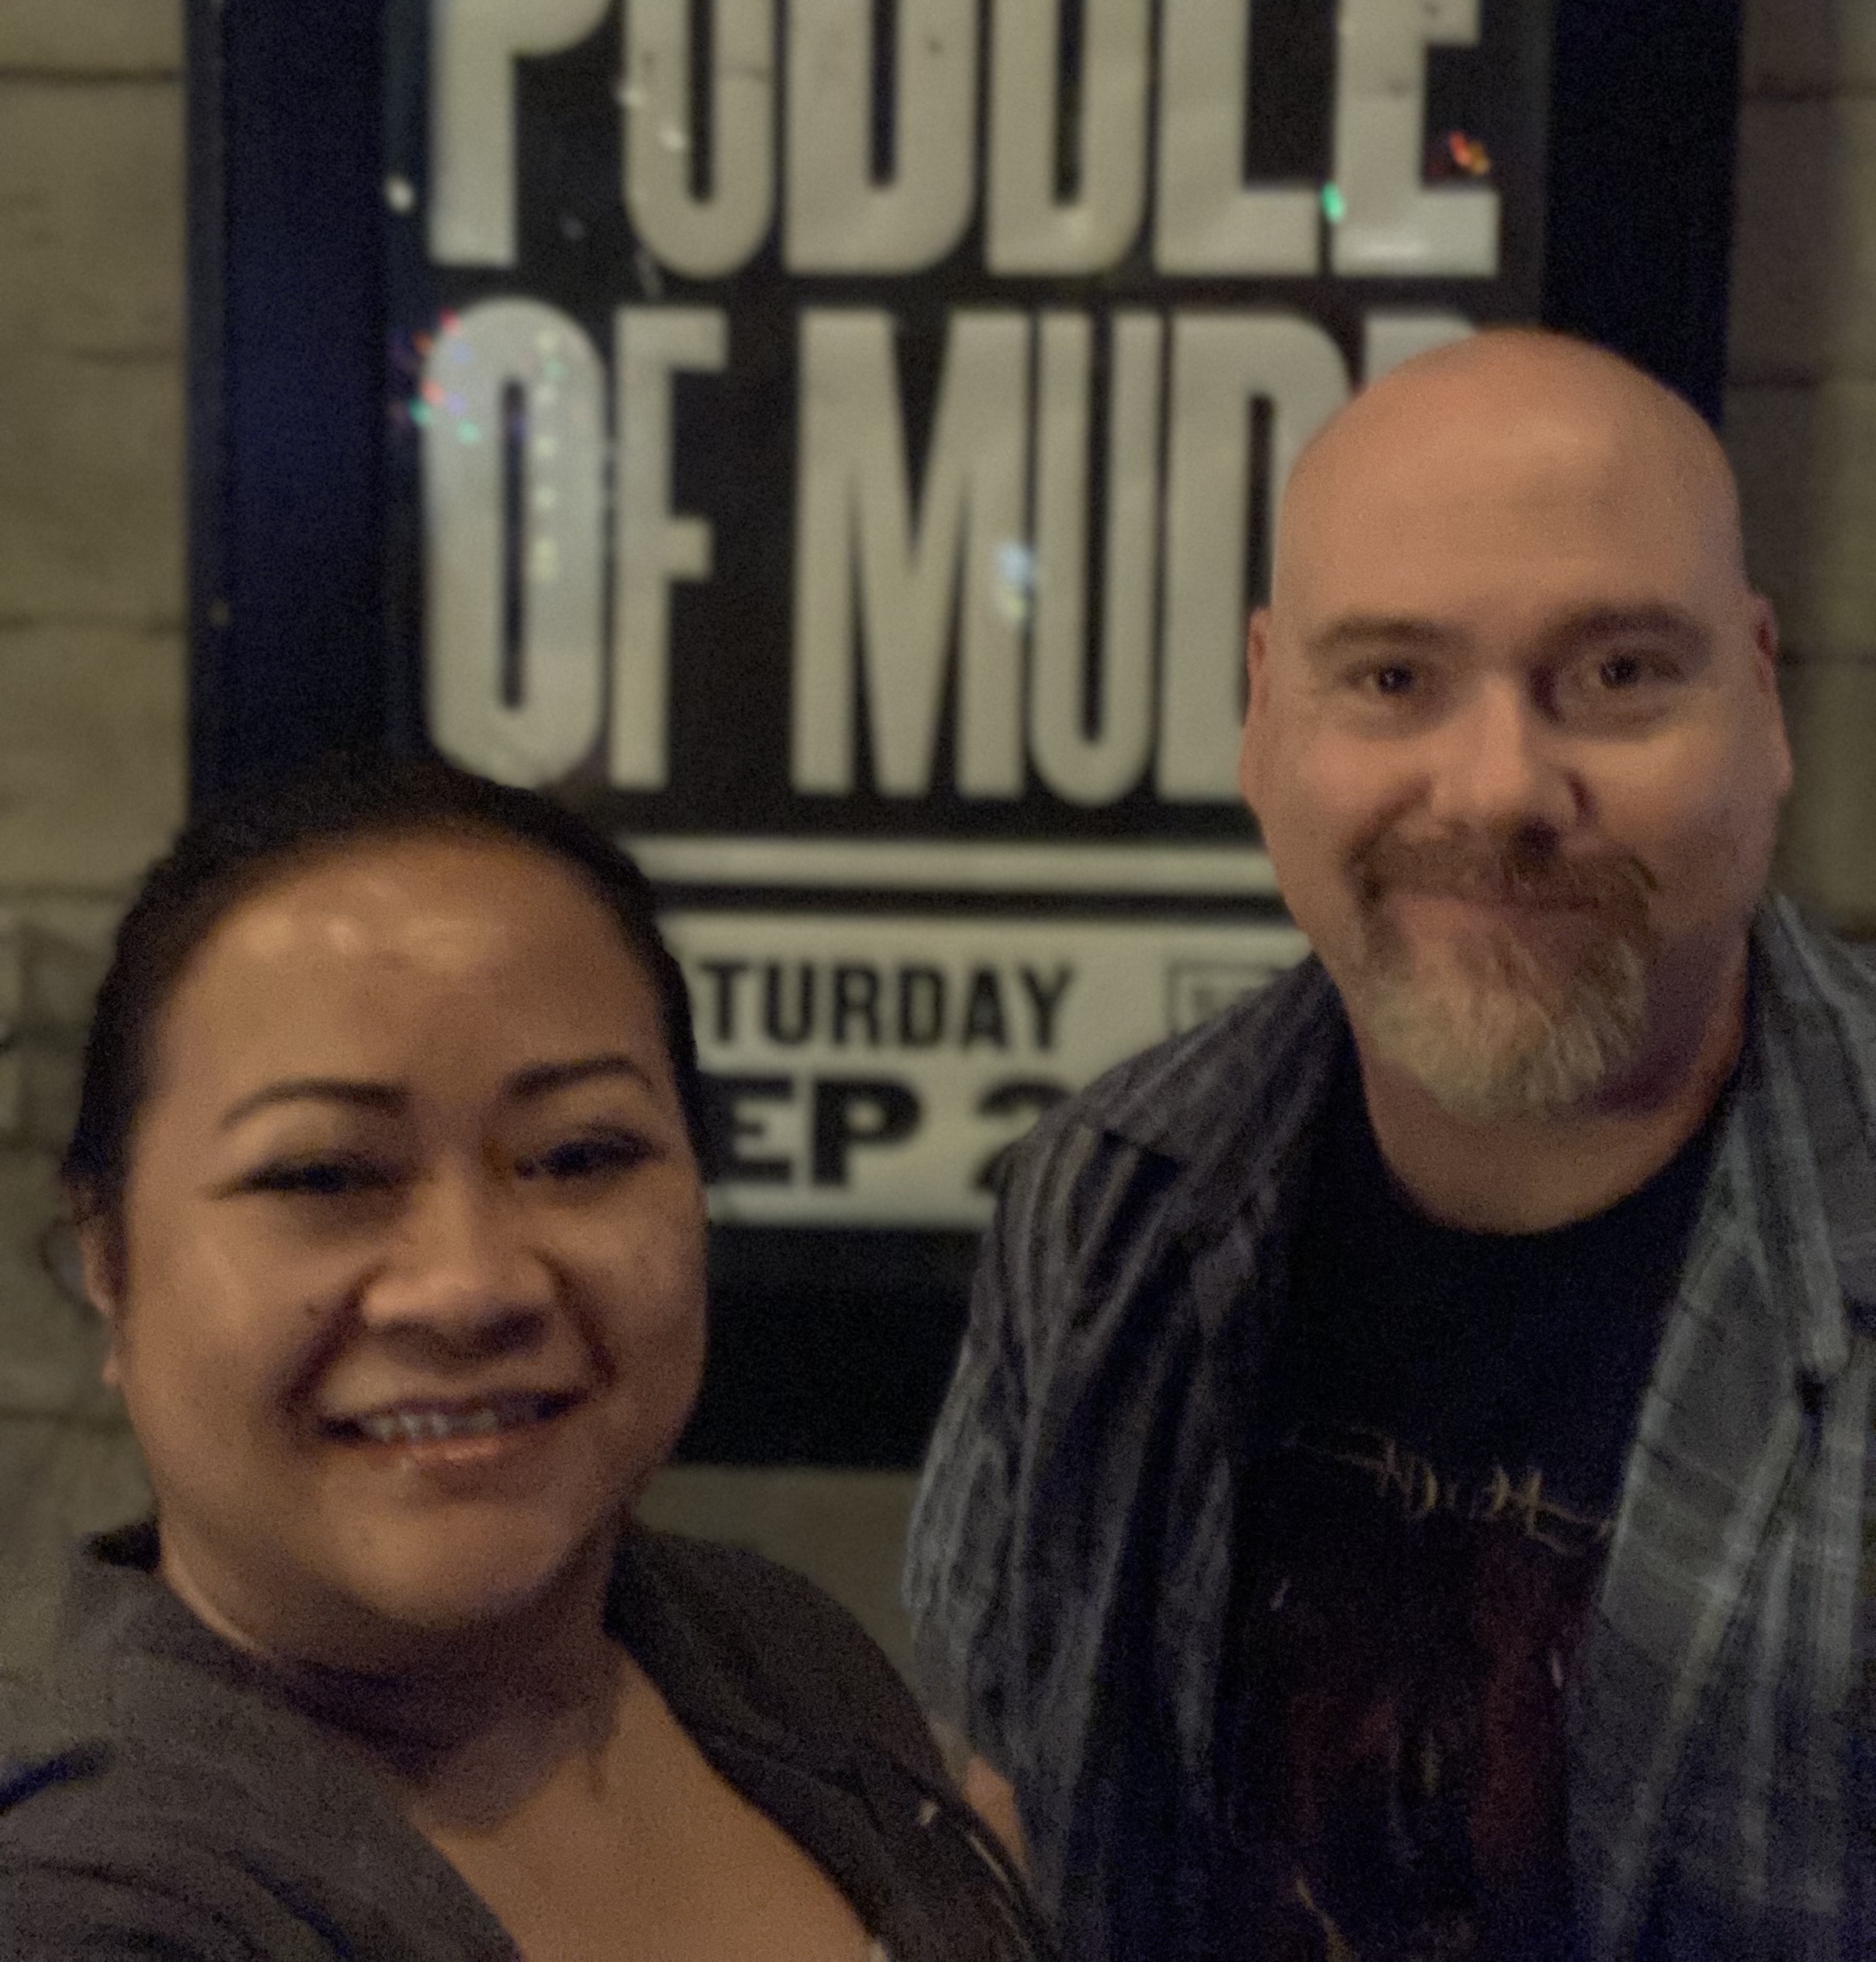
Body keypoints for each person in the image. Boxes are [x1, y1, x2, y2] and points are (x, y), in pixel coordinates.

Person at [905, 330, 1876, 1961]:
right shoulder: (1104, 1200)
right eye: (1391, 679)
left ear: (1760, 699)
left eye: (1616, 673)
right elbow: (1003, 1797)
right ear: (1262, 713)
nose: (1497, 791)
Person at [0, 755, 1054, 1962]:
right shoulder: (81, 1912)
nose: (470, 1285)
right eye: (324, 1174)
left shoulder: (771, 1651)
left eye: (580, 1155)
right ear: (108, 1256)